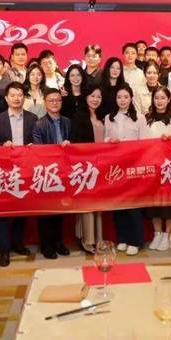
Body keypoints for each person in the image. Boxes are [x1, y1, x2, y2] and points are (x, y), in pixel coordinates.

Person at [0, 82, 37, 266]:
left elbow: (39, 143)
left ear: (24, 97)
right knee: (4, 213)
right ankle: (4, 251)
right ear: (6, 98)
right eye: (12, 95)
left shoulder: (32, 118)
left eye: (19, 95)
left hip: (26, 170)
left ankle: (18, 244)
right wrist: (2, 146)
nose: (16, 98)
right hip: (5, 172)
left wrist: (34, 146)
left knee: (22, 210)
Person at [105, 84, 150, 255]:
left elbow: (144, 143)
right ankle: (122, 238)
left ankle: (135, 241)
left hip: (133, 166)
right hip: (115, 168)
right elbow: (105, 140)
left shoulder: (139, 118)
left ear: (131, 99)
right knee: (118, 205)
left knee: (133, 206)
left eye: (125, 97)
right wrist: (110, 141)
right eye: (119, 97)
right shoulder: (109, 118)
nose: (122, 100)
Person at [32, 88, 72, 259]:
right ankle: (46, 245)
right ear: (45, 103)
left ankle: (58, 242)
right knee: (45, 211)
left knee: (60, 210)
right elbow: (38, 150)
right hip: (46, 172)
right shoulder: (39, 124)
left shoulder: (67, 121)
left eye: (58, 100)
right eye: (51, 100)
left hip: (63, 171)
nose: (55, 103)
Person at [145, 86, 171, 252]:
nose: (159, 101)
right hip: (152, 167)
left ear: (169, 99)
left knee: (169, 205)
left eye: (163, 98)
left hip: (170, 169)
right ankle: (157, 233)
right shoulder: (147, 118)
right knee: (153, 203)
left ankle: (168, 234)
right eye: (156, 98)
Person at [70, 84, 106, 254]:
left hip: (101, 166)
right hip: (86, 166)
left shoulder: (102, 116)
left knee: (98, 204)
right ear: (85, 97)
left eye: (98, 96)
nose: (95, 99)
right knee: (87, 204)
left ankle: (98, 238)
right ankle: (87, 240)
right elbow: (76, 143)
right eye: (92, 96)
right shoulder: (79, 116)